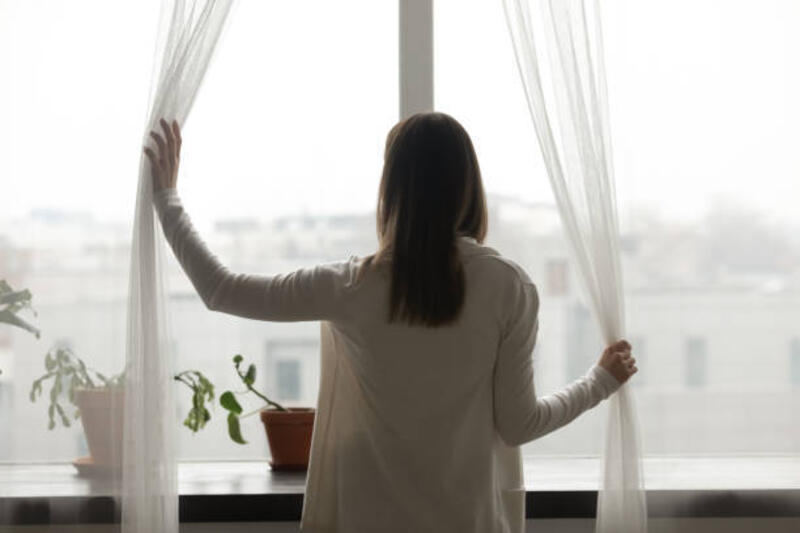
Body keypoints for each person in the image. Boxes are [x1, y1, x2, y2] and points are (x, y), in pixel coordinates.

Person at [145, 112, 637, 533]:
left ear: (392, 190)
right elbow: (518, 423)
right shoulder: (508, 286)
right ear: (468, 187)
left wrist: (167, 199)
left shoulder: (350, 286)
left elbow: (221, 289)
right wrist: (599, 381)